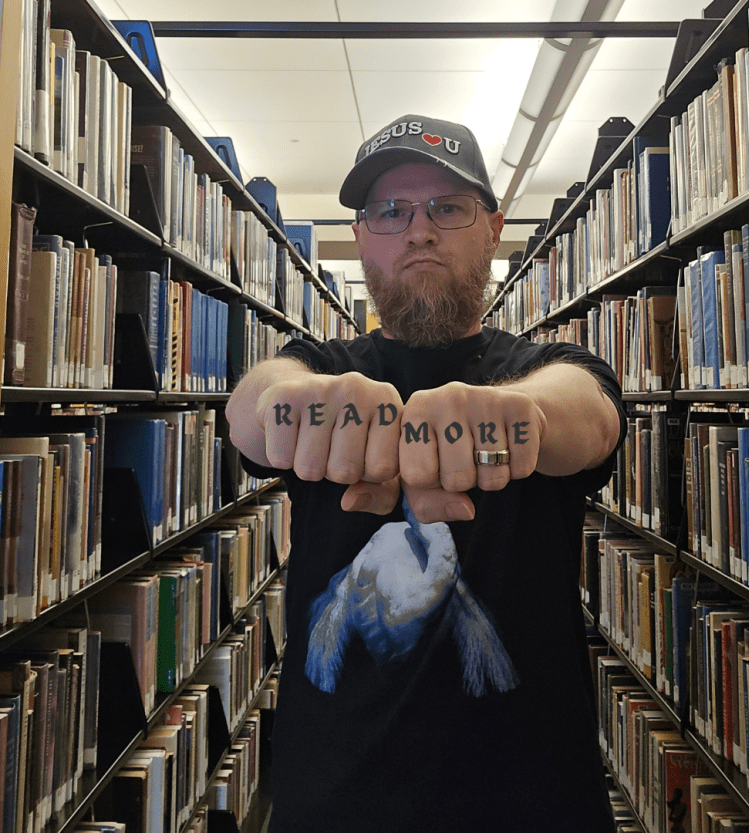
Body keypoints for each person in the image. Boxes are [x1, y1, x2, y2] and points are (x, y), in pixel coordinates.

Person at [227, 114, 626, 832]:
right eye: (390, 210)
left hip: (532, 800)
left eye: (447, 207)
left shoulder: (544, 370)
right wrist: (298, 402)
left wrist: (518, 419)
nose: (418, 230)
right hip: (335, 797)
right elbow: (253, 408)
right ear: (362, 238)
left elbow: (590, 417)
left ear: (493, 228)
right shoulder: (321, 368)